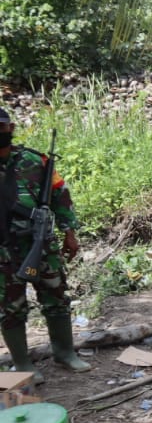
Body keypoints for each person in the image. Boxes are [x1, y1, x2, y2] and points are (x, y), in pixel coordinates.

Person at [0, 108, 86, 382]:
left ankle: (65, 353)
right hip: (3, 250)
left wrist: (69, 232)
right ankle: (24, 365)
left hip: (41, 244)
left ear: (10, 127)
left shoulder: (35, 161)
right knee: (10, 308)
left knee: (56, 296)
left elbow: (60, 196)